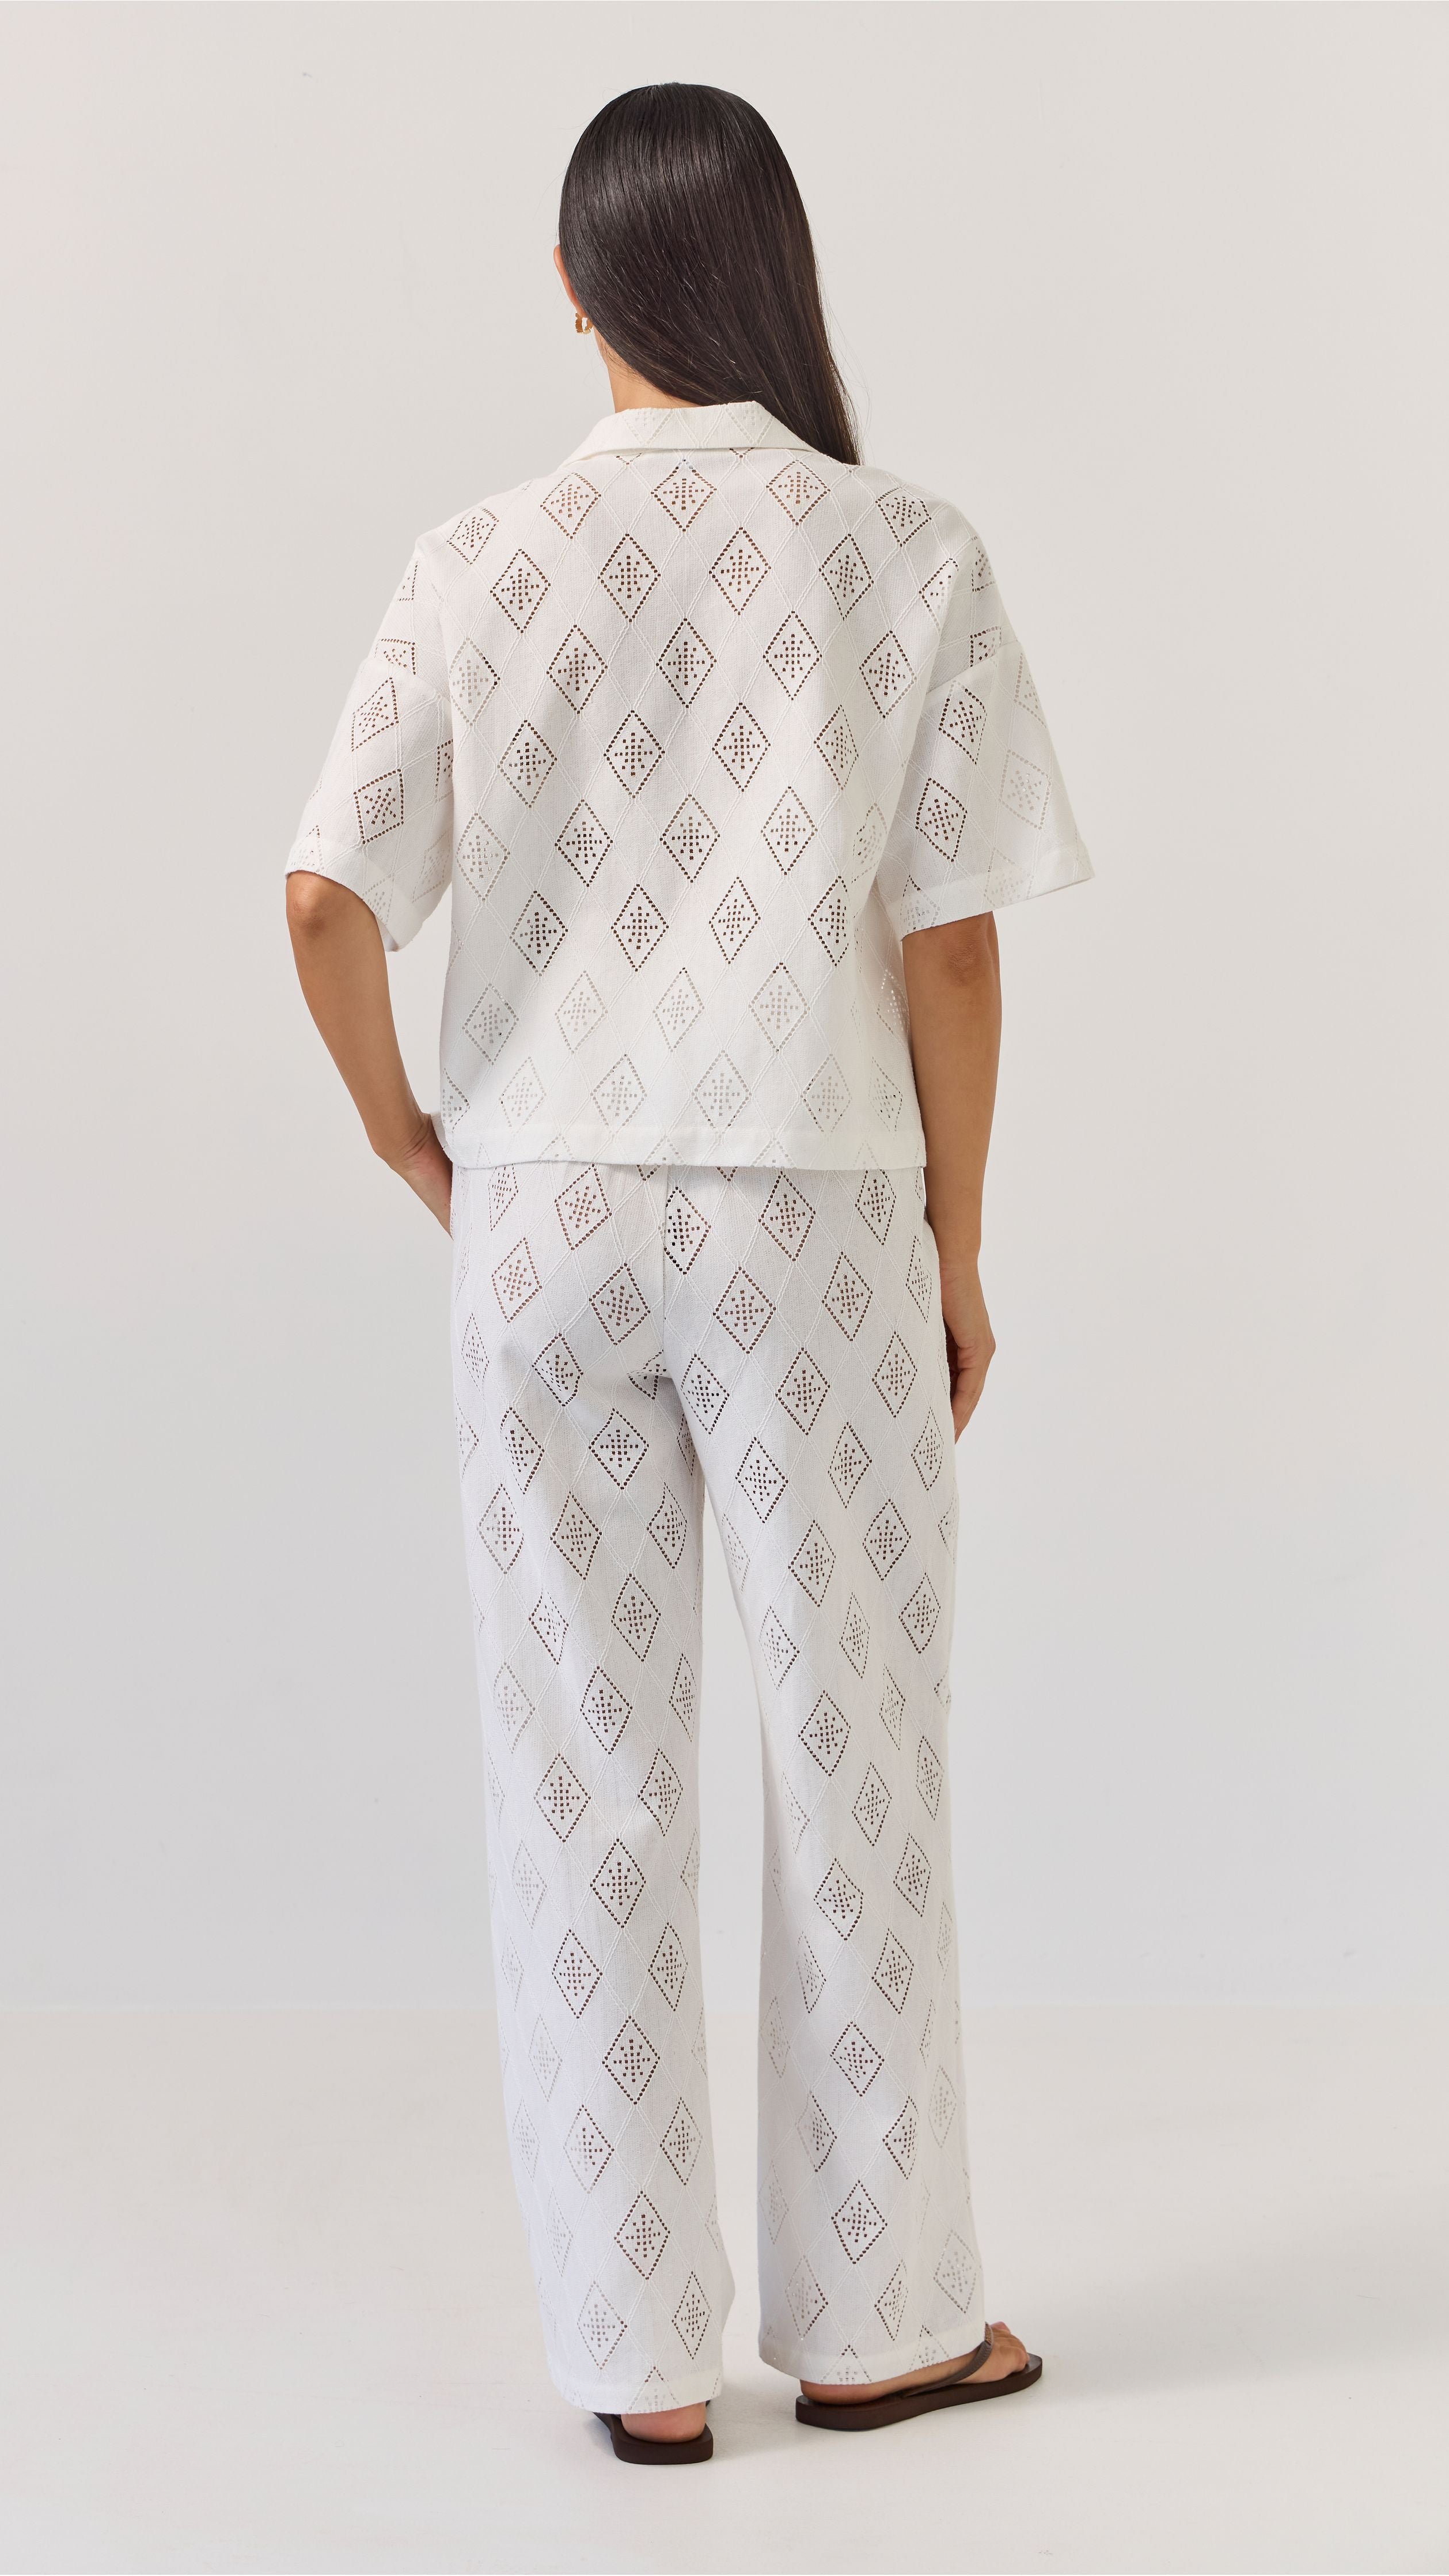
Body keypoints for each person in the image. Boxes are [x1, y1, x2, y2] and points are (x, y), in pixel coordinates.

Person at [285, 82, 1091, 2465]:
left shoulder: (472, 560)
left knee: (580, 1771)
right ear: (770, 267)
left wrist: (406, 1133)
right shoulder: (900, 548)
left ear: (571, 288)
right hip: (811, 1203)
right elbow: (951, 952)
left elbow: (323, 897)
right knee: (855, 1759)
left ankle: (637, 2364)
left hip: (538, 1212)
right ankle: (878, 2323)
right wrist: (955, 1243)